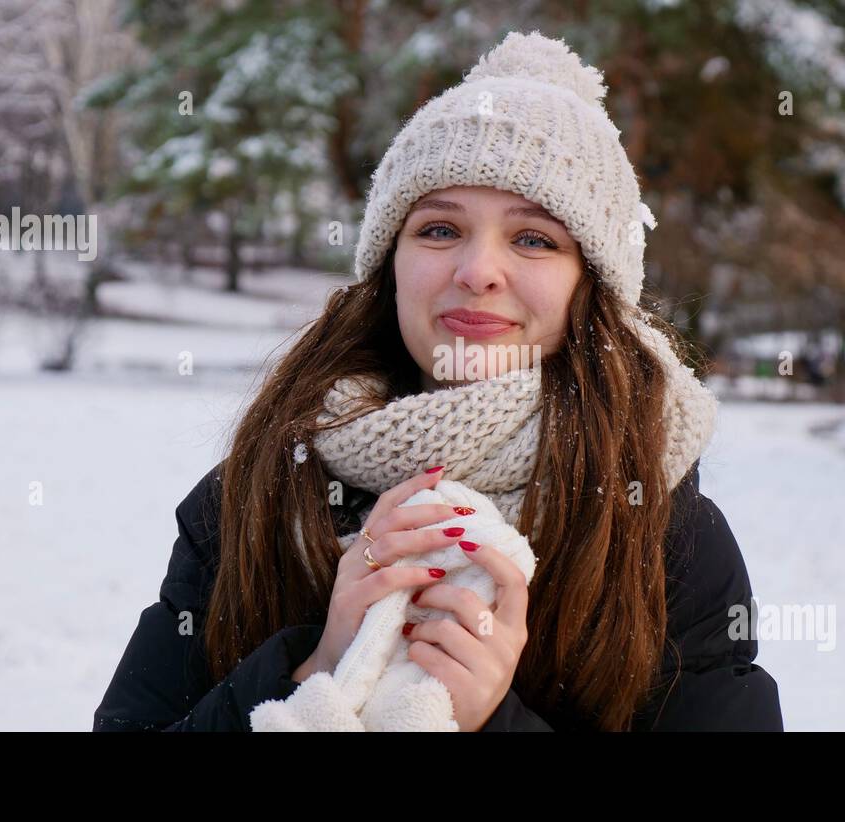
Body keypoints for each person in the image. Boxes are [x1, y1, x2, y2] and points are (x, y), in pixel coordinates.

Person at [93, 29, 782, 732]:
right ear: (389, 263)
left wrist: (494, 723)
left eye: (534, 239)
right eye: (440, 230)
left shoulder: (664, 536)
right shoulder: (255, 495)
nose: (478, 270)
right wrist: (313, 671)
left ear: (591, 286)